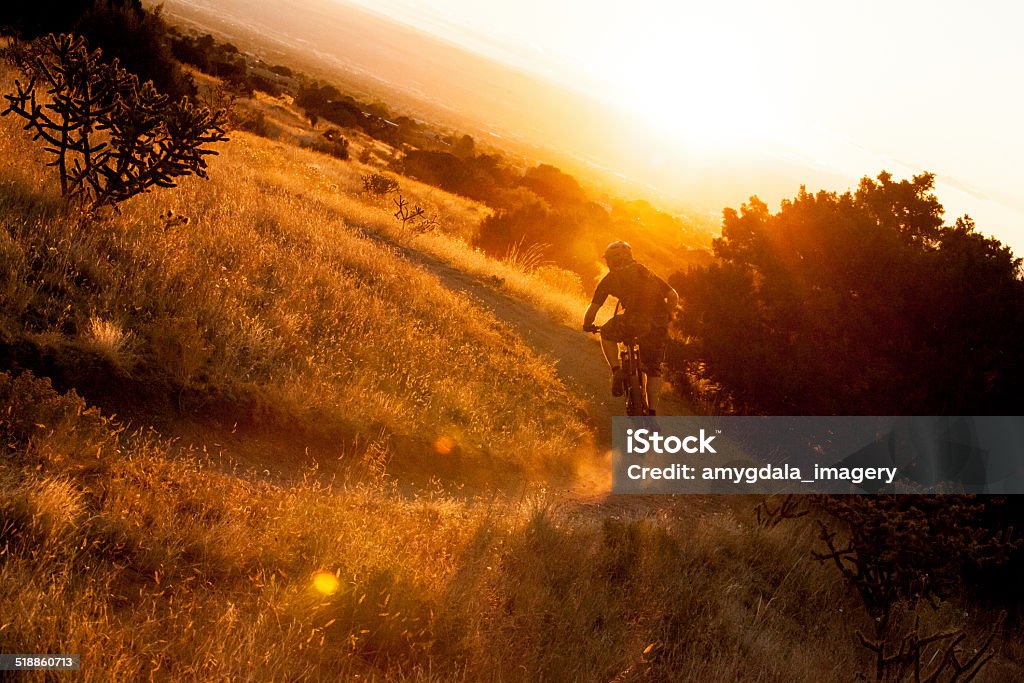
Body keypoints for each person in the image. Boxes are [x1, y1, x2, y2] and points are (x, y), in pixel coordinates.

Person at [583, 241, 678, 412]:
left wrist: (587, 324)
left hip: (631, 322)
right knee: (654, 370)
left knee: (606, 333)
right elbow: (673, 296)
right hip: (657, 325)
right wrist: (667, 316)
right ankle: (652, 412)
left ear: (611, 260)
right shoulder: (644, 271)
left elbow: (593, 309)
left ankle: (617, 370)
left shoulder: (610, 279)